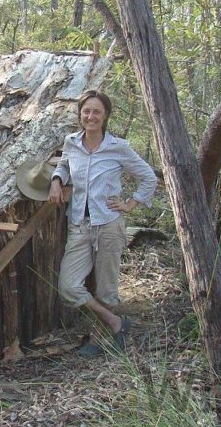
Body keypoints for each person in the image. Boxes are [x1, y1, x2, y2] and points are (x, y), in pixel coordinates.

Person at [49, 90, 157, 355]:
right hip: (79, 223)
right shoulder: (72, 142)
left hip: (109, 224)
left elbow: (148, 177)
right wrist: (56, 181)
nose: (91, 116)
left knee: (107, 288)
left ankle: (99, 340)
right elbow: (64, 165)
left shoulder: (117, 147)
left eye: (97, 111)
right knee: (68, 287)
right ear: (80, 114)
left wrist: (131, 204)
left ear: (106, 115)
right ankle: (115, 321)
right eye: (86, 111)